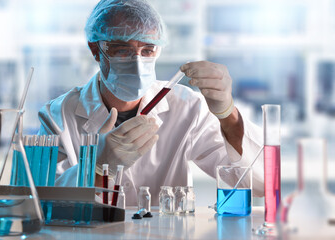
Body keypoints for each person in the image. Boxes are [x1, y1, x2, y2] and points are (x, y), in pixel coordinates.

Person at [38, 0, 264, 205]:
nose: (137, 62)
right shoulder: (57, 116)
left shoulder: (187, 108)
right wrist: (97, 168)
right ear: (95, 50)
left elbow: (256, 183)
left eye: (147, 50)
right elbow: (40, 203)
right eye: (122, 49)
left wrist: (228, 115)